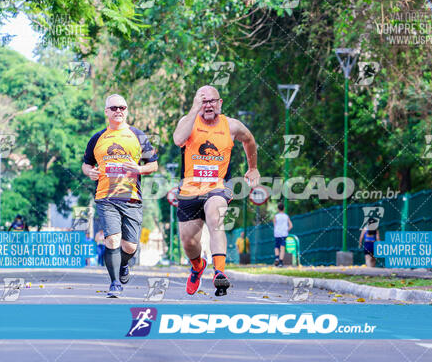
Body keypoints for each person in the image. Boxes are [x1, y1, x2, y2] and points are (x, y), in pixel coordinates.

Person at [173, 85, 260, 296]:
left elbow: (249, 140)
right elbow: (178, 140)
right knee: (188, 241)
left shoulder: (231, 125)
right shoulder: (188, 122)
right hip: (189, 188)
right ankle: (197, 266)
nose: (208, 105)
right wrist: (194, 111)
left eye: (212, 101)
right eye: (204, 101)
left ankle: (219, 272)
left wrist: (253, 168)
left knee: (215, 216)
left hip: (218, 186)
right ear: (197, 104)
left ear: (220, 103)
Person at [82, 94, 158, 298]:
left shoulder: (138, 135)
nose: (118, 111)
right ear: (106, 111)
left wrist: (139, 169)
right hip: (105, 196)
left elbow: (153, 164)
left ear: (126, 110)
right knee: (112, 240)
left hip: (132, 197)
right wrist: (89, 172)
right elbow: (86, 163)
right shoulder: (97, 138)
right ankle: (115, 283)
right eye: (114, 108)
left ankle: (123, 263)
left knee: (130, 246)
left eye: (122, 107)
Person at [273, 203, 292, 267]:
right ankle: (281, 262)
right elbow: (291, 225)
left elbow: (274, 225)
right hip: (284, 234)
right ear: (284, 208)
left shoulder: (276, 216)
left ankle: (277, 258)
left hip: (277, 234)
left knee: (276, 247)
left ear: (278, 209)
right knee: (282, 247)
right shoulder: (286, 216)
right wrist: (287, 230)